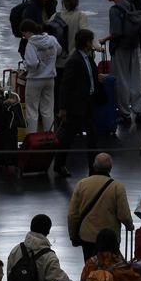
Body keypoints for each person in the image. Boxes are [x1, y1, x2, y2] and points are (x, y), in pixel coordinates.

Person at [53, 29, 104, 177]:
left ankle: (94, 168)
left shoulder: (88, 58)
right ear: (87, 42)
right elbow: (65, 86)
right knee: (68, 138)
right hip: (75, 107)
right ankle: (59, 164)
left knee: (92, 137)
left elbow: (90, 75)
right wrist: (63, 108)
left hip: (87, 104)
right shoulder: (74, 61)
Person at [67, 153, 134, 261]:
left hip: (87, 237)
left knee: (91, 269)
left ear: (94, 166)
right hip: (110, 239)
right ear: (110, 168)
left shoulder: (81, 184)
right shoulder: (117, 186)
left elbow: (72, 214)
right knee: (110, 270)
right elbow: (124, 215)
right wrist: (129, 226)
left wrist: (73, 235)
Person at [99, 0, 141, 124]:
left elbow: (116, 32)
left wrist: (104, 39)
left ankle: (125, 113)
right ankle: (138, 109)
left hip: (120, 48)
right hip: (133, 45)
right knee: (135, 78)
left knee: (122, 80)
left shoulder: (114, 9)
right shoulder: (130, 5)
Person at [20, 19, 61, 133]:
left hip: (35, 80)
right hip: (50, 79)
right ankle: (49, 136)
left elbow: (32, 63)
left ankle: (32, 138)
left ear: (28, 32)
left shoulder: (31, 43)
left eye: (24, 35)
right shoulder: (52, 39)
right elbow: (59, 51)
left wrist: (25, 64)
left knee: (32, 110)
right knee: (47, 109)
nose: (25, 37)